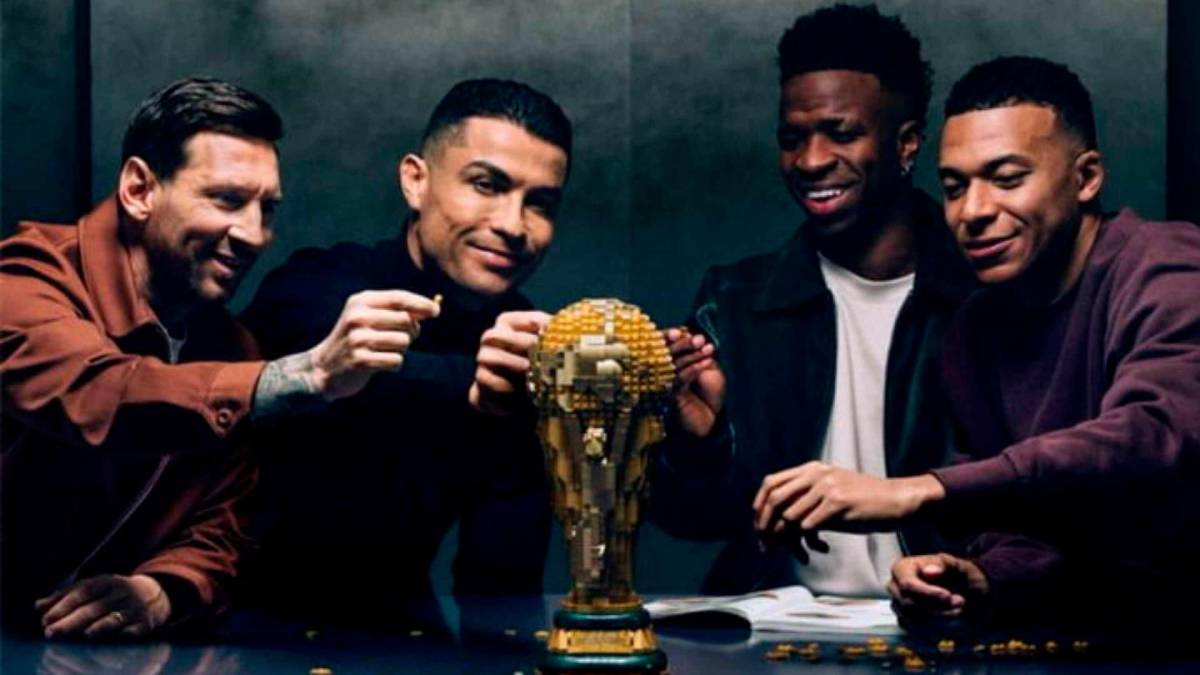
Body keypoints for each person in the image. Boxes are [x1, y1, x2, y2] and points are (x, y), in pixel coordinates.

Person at [757, 56, 1200, 629]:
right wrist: (981, 576)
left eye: (1007, 179)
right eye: (954, 187)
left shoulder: (1168, 266)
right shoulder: (975, 328)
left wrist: (920, 490)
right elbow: (1029, 522)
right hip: (1087, 641)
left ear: (1086, 178)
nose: (974, 211)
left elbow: (1157, 438)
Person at [0, 78, 430, 638]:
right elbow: (99, 394)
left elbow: (225, 522)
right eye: (227, 199)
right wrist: (307, 374)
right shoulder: (22, 284)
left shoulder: (232, 347)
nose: (255, 234)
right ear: (138, 189)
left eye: (267, 209)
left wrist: (163, 589)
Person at [648, 4, 974, 596]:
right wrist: (699, 441)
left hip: (949, 618)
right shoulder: (734, 303)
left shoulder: (982, 297)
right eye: (792, 139)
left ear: (906, 144)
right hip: (779, 625)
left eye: (841, 133)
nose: (811, 160)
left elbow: (1035, 497)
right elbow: (691, 520)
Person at [239, 78, 571, 625]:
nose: (514, 225)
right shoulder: (316, 286)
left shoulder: (522, 341)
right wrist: (477, 388)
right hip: (229, 623)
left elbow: (500, 578)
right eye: (486, 185)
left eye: (540, 204)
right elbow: (352, 371)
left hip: (404, 631)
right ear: (416, 181)